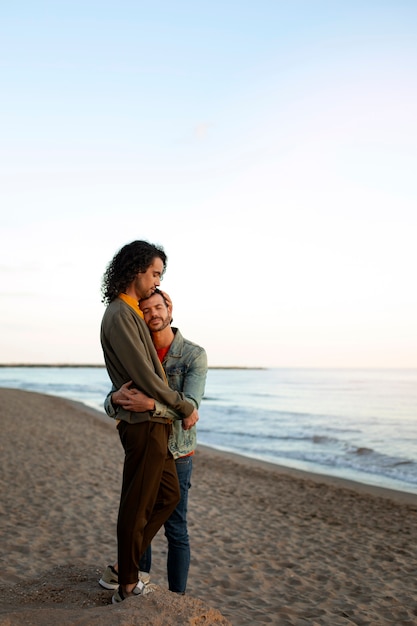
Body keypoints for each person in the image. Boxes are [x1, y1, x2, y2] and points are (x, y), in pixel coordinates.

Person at [100, 240, 199, 603]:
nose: (157, 282)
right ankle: (126, 583)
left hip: (155, 424)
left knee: (169, 495)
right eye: (155, 273)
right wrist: (184, 406)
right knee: (136, 503)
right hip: (142, 425)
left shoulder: (132, 312)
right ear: (136, 270)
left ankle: (122, 565)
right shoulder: (120, 314)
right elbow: (146, 375)